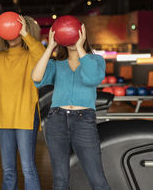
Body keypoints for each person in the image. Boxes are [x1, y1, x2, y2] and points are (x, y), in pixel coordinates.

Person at [31, 21, 110, 190]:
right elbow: (36, 77)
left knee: (97, 178)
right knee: (60, 179)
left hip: (84, 121)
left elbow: (93, 78)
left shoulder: (96, 60)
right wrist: (49, 47)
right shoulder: (56, 64)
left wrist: (80, 48)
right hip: (56, 120)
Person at [0, 15, 45, 190]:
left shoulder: (31, 56)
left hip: (26, 119)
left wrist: (25, 34)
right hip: (4, 121)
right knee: (8, 170)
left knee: (28, 168)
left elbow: (43, 55)